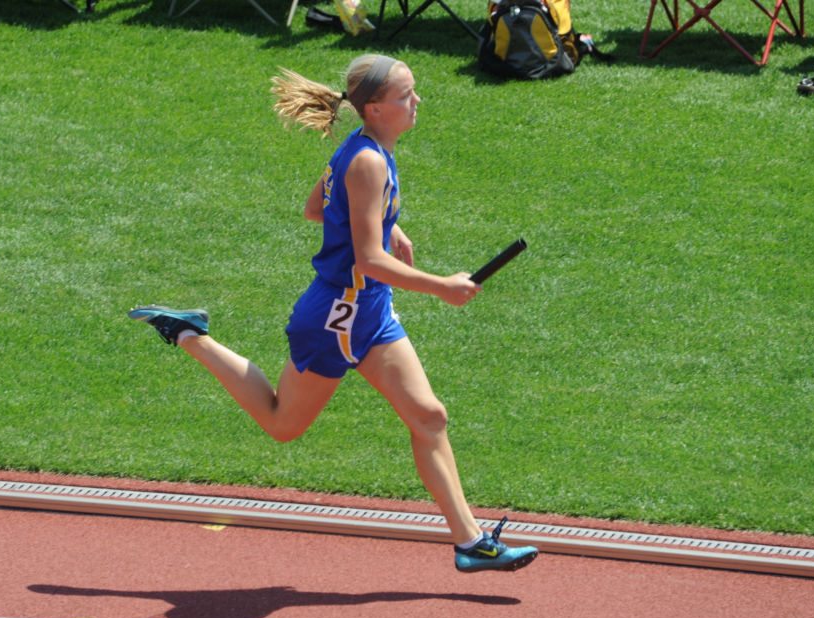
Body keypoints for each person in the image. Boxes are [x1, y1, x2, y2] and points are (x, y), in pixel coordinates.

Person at [128, 54, 537, 573]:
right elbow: (367, 259)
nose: (417, 102)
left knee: (430, 416)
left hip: (368, 311)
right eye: (406, 95)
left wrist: (386, 223)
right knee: (282, 424)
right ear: (374, 108)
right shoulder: (367, 161)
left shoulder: (367, 149)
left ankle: (470, 542)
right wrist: (441, 287)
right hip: (337, 318)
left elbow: (318, 208)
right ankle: (189, 334)